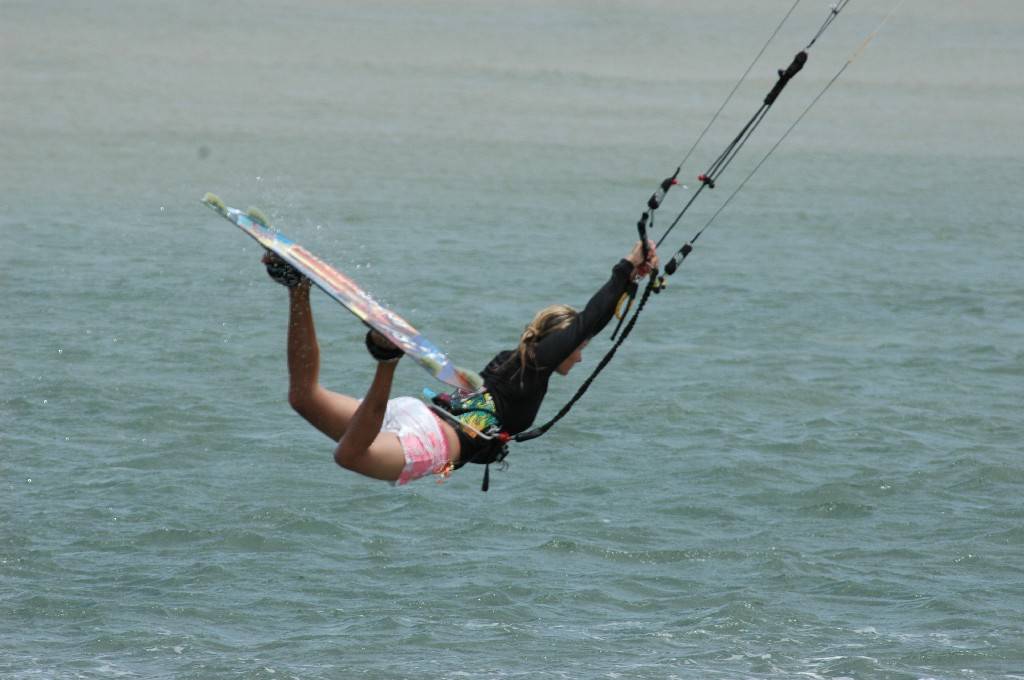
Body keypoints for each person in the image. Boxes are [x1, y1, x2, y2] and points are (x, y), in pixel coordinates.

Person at [263, 240, 658, 486]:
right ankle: (387, 359)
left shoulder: (512, 363)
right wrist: (627, 267)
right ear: (560, 342)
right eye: (577, 347)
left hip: (418, 415)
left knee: (303, 397)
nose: (580, 355)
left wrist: (631, 279)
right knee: (349, 456)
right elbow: (591, 319)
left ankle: (298, 288)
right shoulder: (533, 367)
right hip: (433, 441)